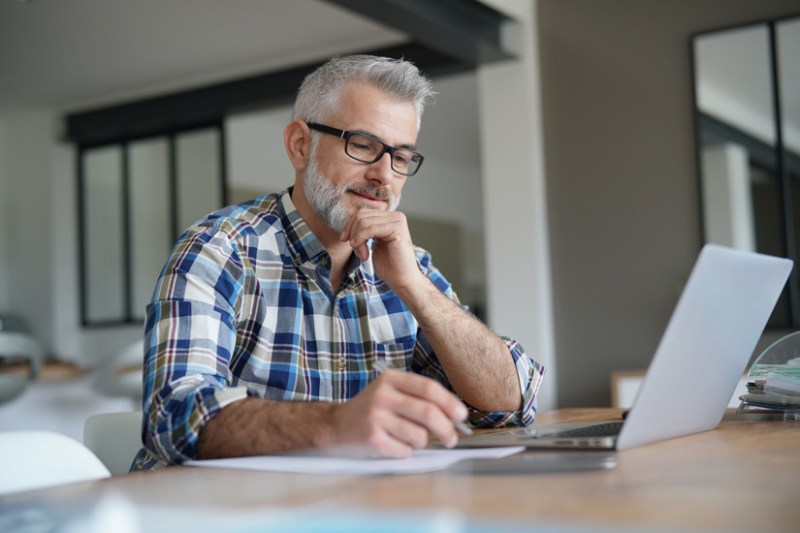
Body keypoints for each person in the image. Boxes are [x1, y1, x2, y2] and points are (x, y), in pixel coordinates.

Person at [132, 55, 544, 470]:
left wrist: (415, 289)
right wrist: (337, 423)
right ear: (300, 145)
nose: (384, 175)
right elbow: (172, 417)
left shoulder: (409, 266)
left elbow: (511, 406)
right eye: (363, 145)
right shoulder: (219, 248)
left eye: (401, 157)